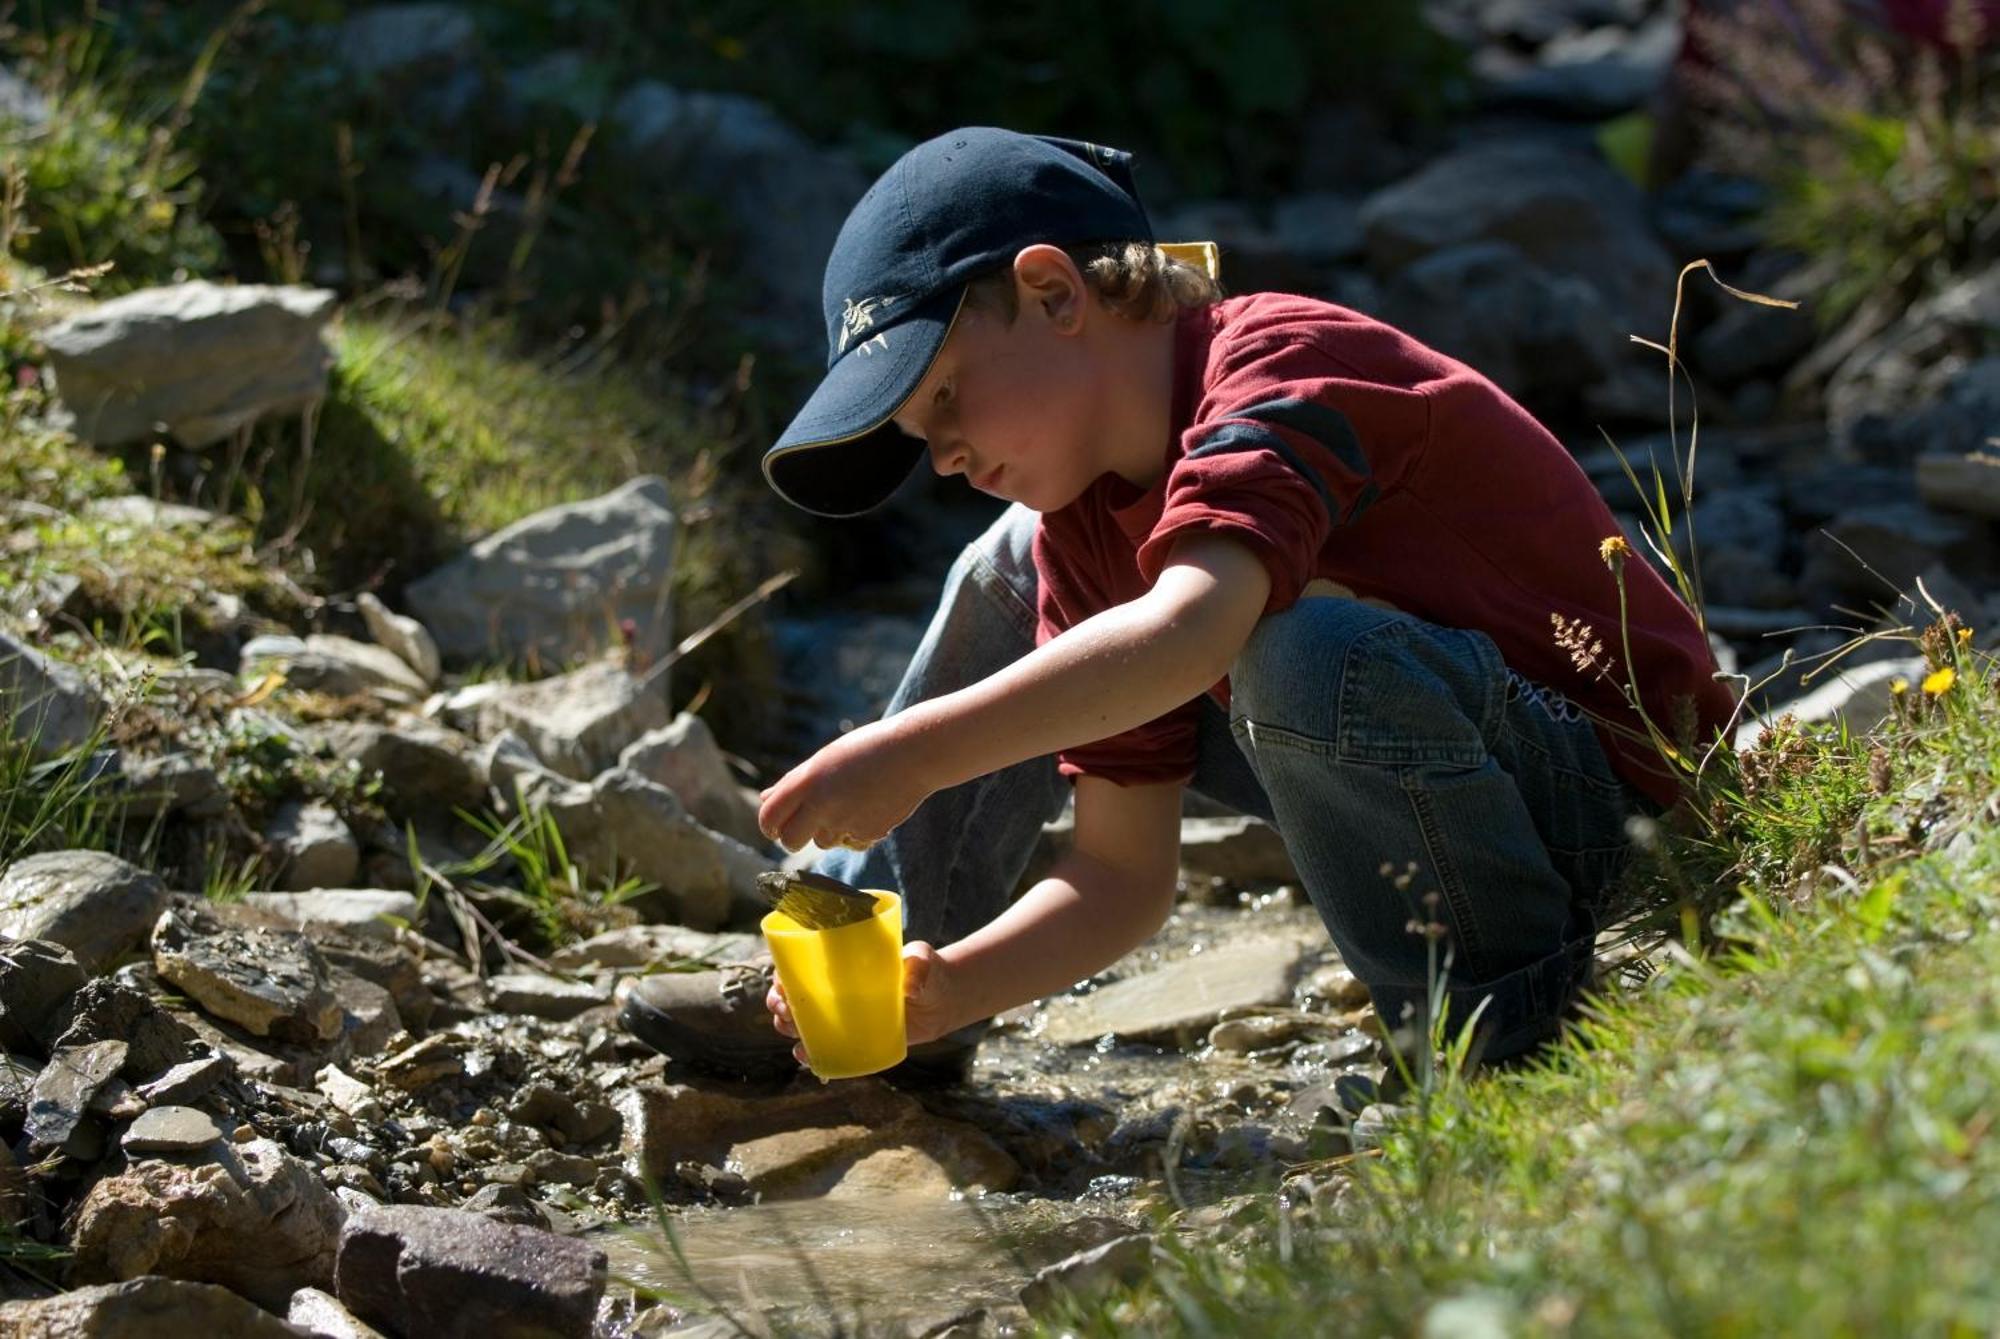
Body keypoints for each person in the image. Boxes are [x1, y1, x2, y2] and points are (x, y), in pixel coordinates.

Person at [620, 127, 1735, 1085]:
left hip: (1618, 811)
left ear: (1055, 293)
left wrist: (910, 750)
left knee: (1306, 651)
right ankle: (857, 975)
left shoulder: (1283, 366)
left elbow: (1189, 630)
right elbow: (1118, 876)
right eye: (921, 437)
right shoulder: (1085, 528)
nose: (946, 456)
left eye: (946, 396)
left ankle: (1495, 1039)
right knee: (1020, 559)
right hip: (1435, 777)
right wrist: (950, 989)